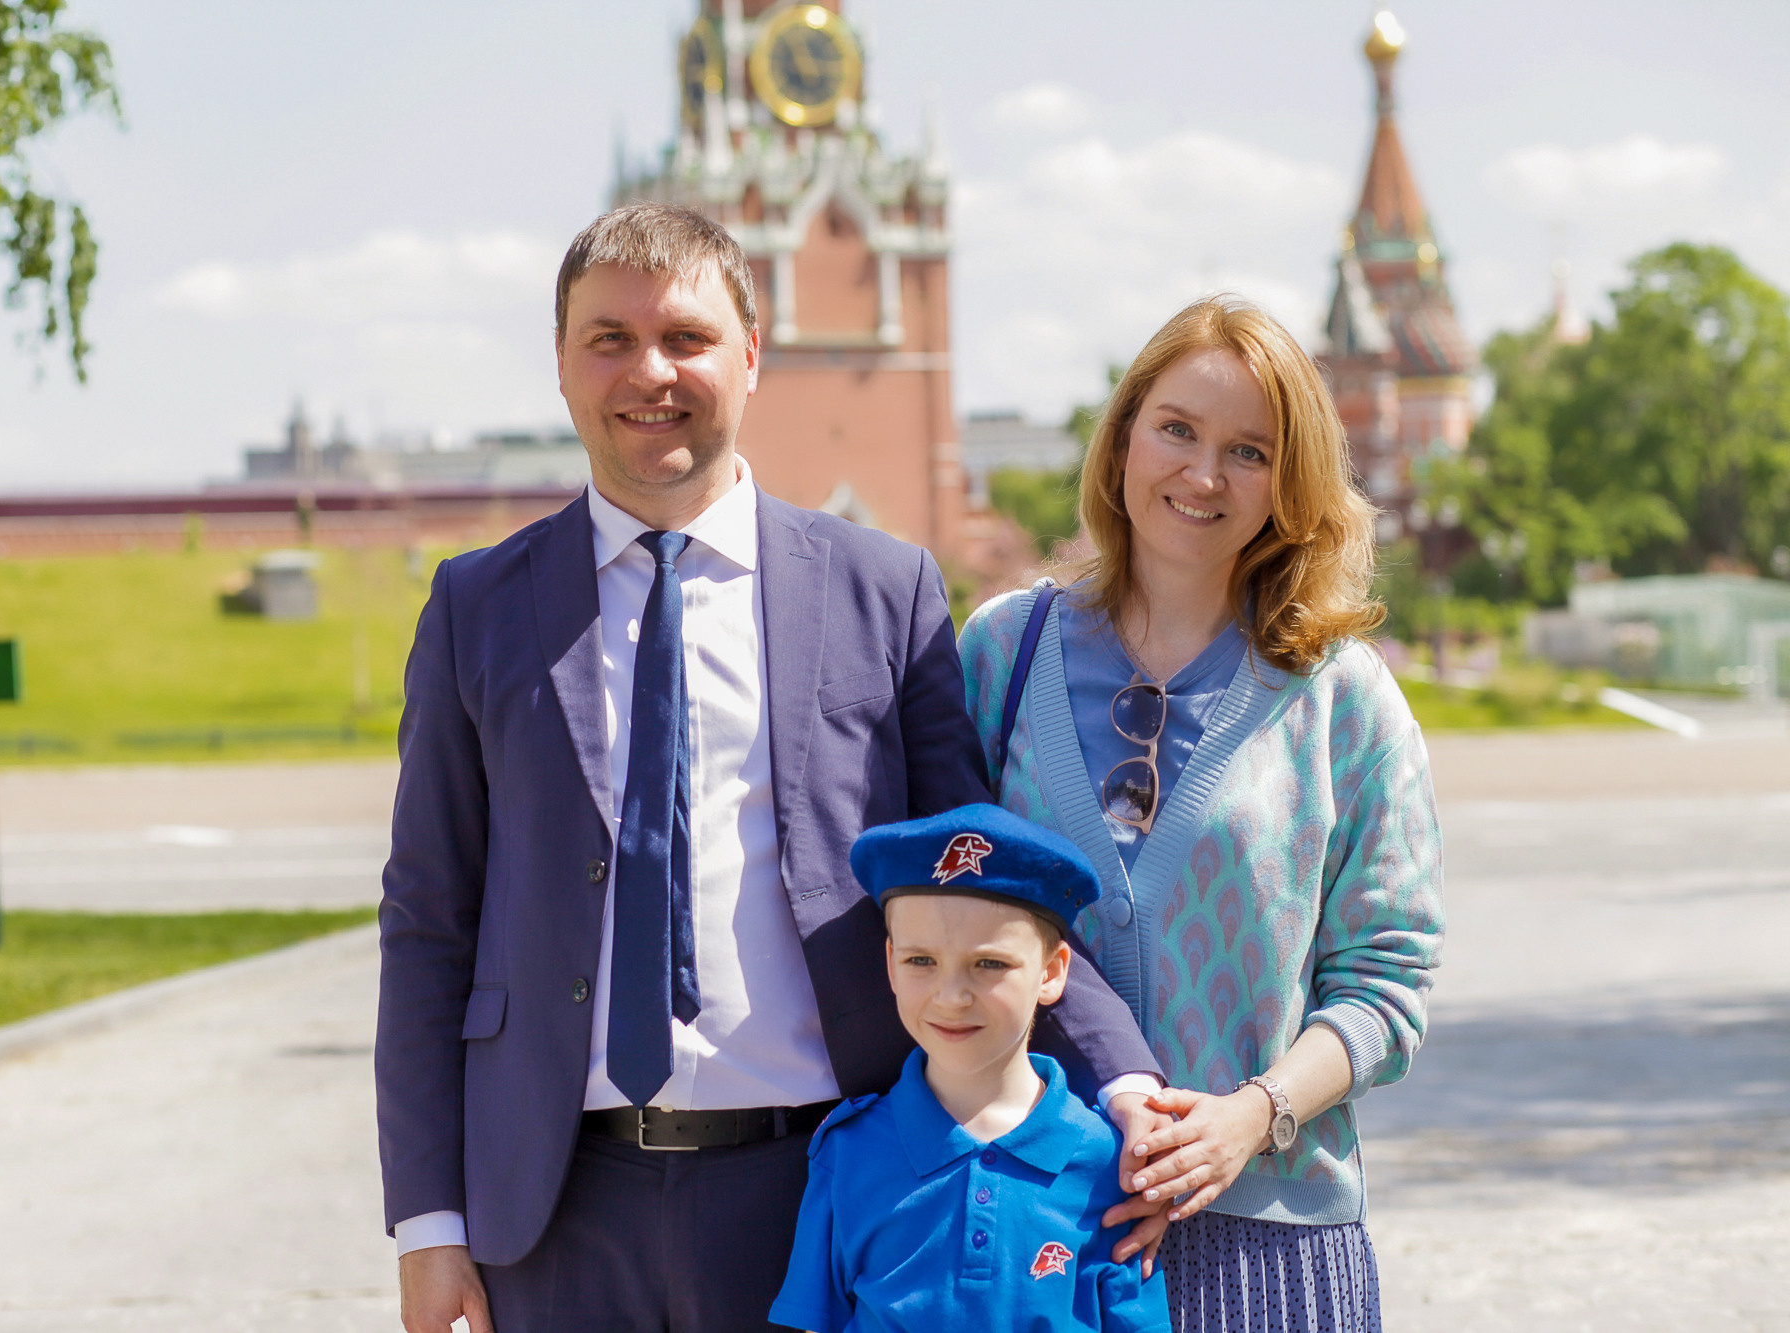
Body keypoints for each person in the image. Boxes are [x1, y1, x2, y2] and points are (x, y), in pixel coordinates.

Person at [375, 202, 1165, 1333]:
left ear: (750, 354)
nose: (650, 371)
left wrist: (1122, 1075)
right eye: (609, 339)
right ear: (560, 365)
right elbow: (427, 923)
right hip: (550, 1210)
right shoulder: (477, 606)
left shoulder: (880, 590)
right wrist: (428, 1224)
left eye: (686, 338)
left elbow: (978, 868)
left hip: (813, 1189)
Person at [958, 294, 1444, 1332]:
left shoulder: (1340, 697)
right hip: (1028, 1224)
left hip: (1267, 1238)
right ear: (1124, 434)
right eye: (1175, 428)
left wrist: (1250, 1117)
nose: (1201, 473)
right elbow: (945, 915)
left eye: (1248, 451)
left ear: (1290, 484)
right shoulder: (999, 653)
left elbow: (1386, 986)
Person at [771, 804, 1172, 1333]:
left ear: (1051, 972)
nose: (952, 995)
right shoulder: (846, 1153)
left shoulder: (1106, 1163)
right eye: (921, 961)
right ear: (890, 964)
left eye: (989, 963)